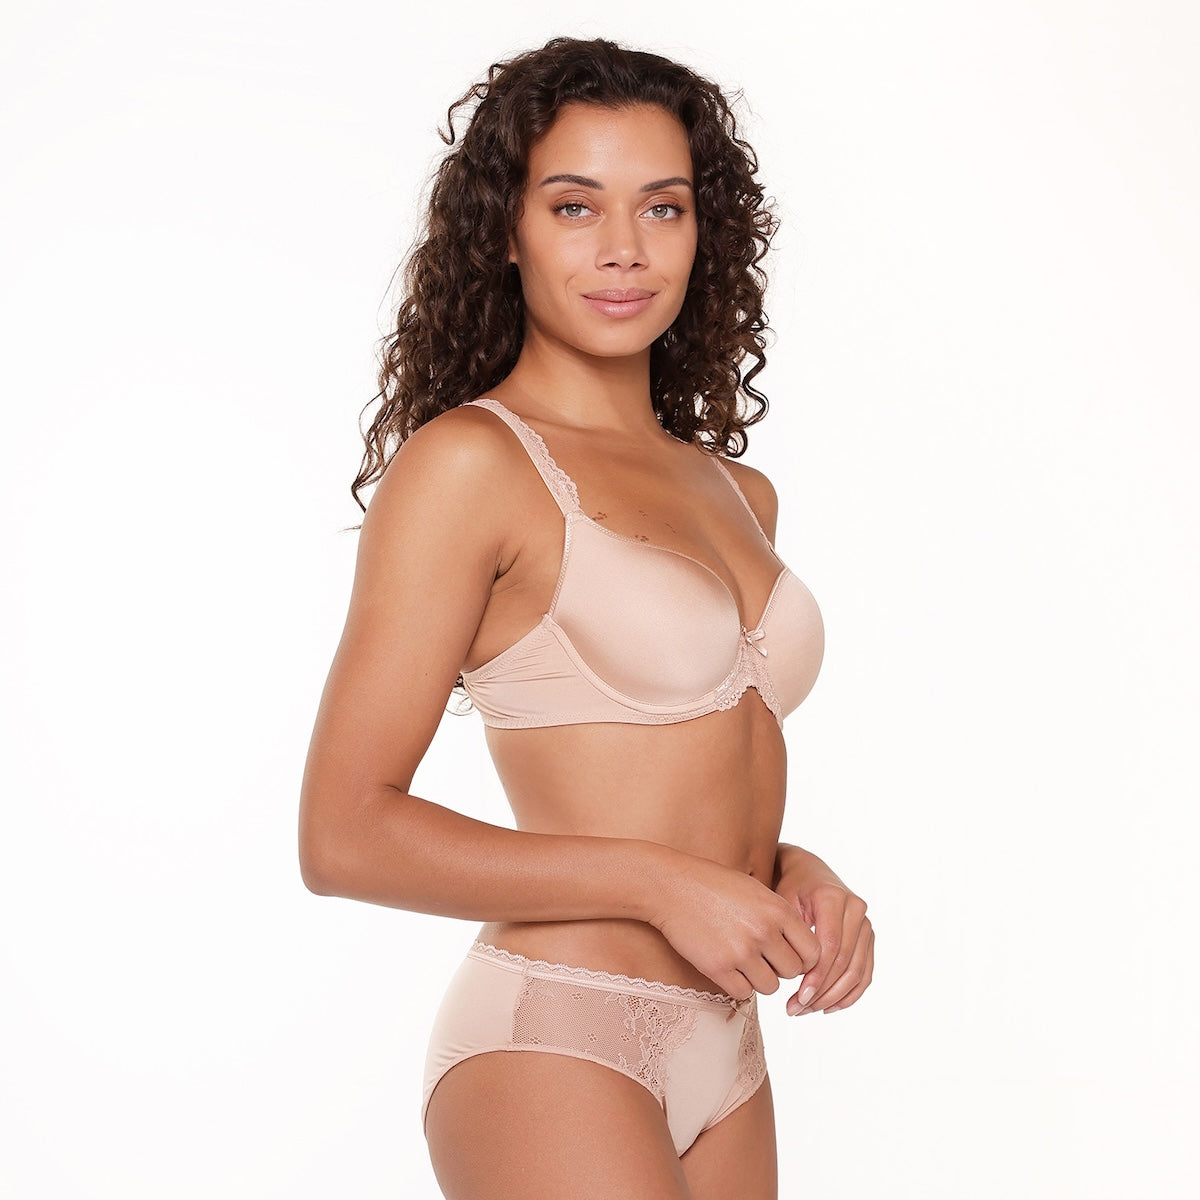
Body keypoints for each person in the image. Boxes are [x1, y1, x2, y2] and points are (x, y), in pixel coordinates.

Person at [298, 36, 874, 1200]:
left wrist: (787, 869)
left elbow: (683, 766)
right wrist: (663, 886)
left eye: (663, 207)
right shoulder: (472, 466)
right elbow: (342, 833)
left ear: (705, 231)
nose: (624, 249)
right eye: (574, 206)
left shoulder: (736, 491)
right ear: (506, 231)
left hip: (730, 1049)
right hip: (559, 1034)